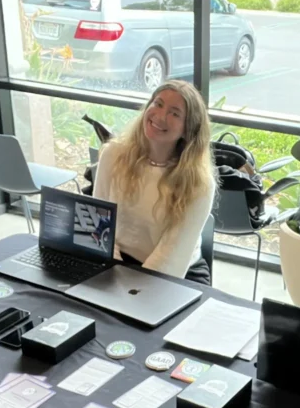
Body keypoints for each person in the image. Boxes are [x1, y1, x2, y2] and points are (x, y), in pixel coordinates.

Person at [92, 80, 216, 284]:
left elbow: (171, 257)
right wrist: (113, 272)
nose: (160, 116)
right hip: (120, 261)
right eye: (158, 104)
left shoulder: (199, 184)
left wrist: (131, 292)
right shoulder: (112, 154)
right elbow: (100, 222)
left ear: (187, 129)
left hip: (177, 273)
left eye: (174, 113)